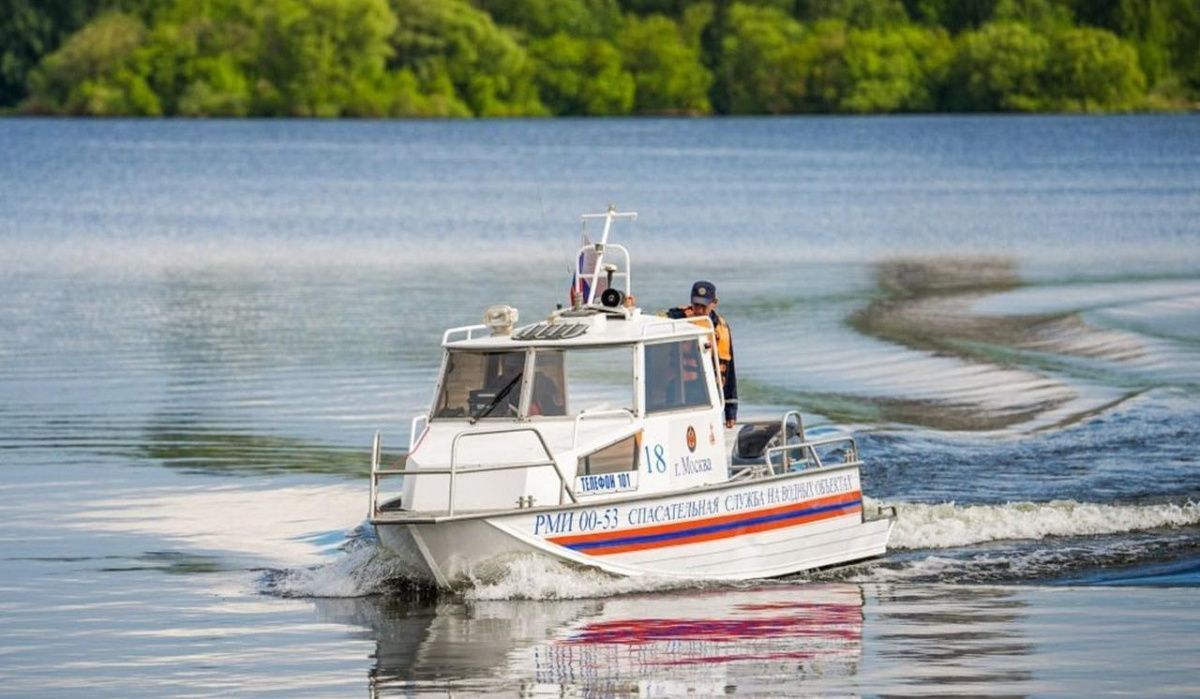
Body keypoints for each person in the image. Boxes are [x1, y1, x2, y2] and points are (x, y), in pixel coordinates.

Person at [665, 280, 737, 428]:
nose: (698, 310)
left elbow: (729, 372)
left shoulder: (722, 329)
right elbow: (649, 321)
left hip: (710, 395)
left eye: (703, 306)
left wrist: (731, 411)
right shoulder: (677, 318)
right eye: (696, 304)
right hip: (680, 393)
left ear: (714, 303)